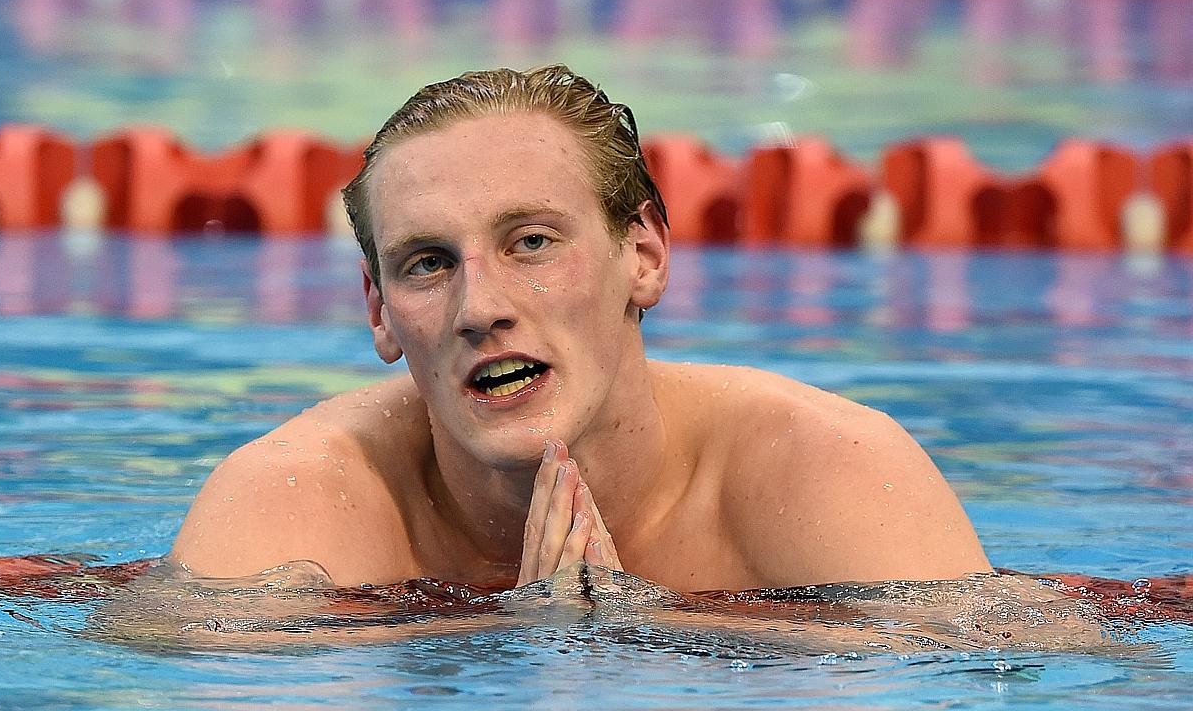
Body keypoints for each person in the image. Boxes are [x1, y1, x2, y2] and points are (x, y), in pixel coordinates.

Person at [170, 64, 992, 592]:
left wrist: (633, 641)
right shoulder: (293, 507)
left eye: (531, 242)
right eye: (427, 262)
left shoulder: (827, 478)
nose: (480, 306)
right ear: (378, 311)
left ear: (643, 255)